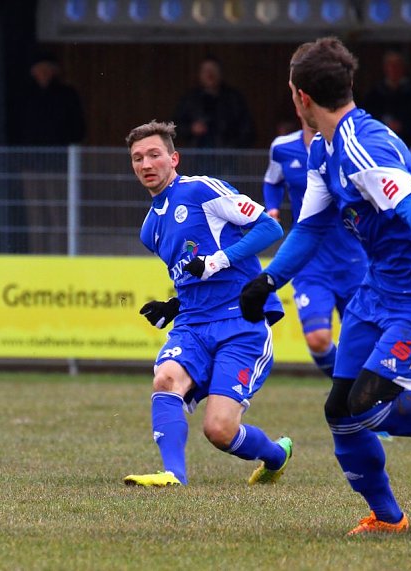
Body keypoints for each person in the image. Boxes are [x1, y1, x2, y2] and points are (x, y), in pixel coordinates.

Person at [239, 38, 411, 535]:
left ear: (302, 97)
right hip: (376, 289)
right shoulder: (323, 151)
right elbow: (310, 227)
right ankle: (388, 517)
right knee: (341, 410)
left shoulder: (363, 147)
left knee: (369, 405)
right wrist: (269, 278)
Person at [123, 120, 292, 487]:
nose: (146, 164)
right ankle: (173, 475)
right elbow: (190, 274)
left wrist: (217, 261)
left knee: (218, 430)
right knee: (165, 379)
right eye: (137, 158)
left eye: (154, 154)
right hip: (194, 324)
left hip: (240, 323)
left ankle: (276, 455)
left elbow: (269, 228)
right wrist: (173, 306)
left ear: (174, 158)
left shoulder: (201, 190)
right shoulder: (149, 228)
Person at [263, 114, 367, 377]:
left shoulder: (352, 146)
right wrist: (273, 207)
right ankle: (346, 389)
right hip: (310, 261)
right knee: (318, 338)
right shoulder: (282, 148)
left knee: (363, 343)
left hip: (354, 259)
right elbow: (272, 181)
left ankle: (361, 397)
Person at [9, 52, 85, 253]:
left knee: (58, 215)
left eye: (47, 69)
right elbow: (14, 129)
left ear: (54, 71)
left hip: (56, 165)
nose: (43, 74)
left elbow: (78, 128)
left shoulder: (66, 94)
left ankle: (61, 257)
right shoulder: (24, 95)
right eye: (39, 70)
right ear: (33, 72)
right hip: (30, 164)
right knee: (35, 216)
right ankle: (38, 258)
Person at [172, 57, 255, 150]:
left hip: (227, 156)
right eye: (205, 71)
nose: (210, 74)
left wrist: (233, 145)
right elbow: (174, 127)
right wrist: (191, 128)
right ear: (199, 74)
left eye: (214, 70)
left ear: (221, 73)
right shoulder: (189, 99)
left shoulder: (234, 99)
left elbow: (247, 129)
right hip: (197, 155)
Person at [361, 49, 411, 151]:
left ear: (403, 67)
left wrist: (404, 126)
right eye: (390, 65)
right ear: (385, 67)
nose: (393, 69)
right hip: (380, 146)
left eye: (397, 64)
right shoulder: (375, 93)